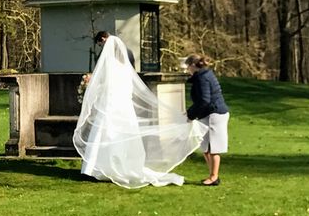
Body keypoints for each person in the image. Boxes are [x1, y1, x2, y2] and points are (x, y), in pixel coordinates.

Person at [73, 36, 204, 188]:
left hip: (110, 106)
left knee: (102, 137)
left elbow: (104, 86)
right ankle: (114, 167)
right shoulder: (125, 68)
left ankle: (94, 170)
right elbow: (128, 89)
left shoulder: (109, 65)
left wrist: (89, 84)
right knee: (115, 138)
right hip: (122, 108)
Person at [185, 54, 230, 186]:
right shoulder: (203, 75)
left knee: (213, 148)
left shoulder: (203, 78)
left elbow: (205, 100)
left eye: (188, 67)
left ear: (193, 66)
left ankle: (214, 177)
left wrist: (191, 114)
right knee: (205, 147)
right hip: (208, 114)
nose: (188, 70)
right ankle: (212, 175)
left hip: (214, 114)